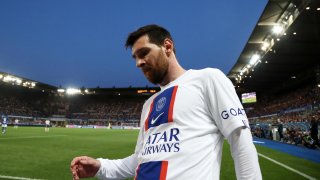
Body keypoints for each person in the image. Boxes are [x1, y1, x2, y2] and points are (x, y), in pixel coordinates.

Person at [70, 24, 262, 180]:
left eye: (144, 52)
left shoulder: (207, 79)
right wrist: (101, 167)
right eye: (135, 58)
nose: (139, 62)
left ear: (167, 47)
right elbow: (141, 159)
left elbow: (240, 141)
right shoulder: (148, 105)